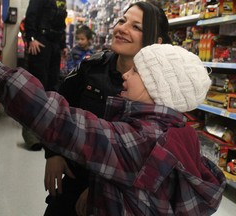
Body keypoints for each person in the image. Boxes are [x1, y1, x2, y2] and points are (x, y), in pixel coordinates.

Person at [0, 28, 226, 215]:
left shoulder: (144, 140)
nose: (125, 76)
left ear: (158, 89)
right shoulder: (177, 132)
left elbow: (60, 121)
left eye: (136, 71)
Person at [44, 1, 173, 215]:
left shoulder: (158, 89)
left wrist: (103, 189)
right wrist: (53, 153)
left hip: (123, 192)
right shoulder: (91, 69)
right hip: (75, 176)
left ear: (156, 41)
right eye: (123, 20)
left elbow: (153, 158)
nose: (122, 28)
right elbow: (58, 107)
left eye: (136, 27)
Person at [23, 0, 68, 150]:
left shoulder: (62, 1)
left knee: (52, 87)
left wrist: (63, 45)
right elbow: (31, 15)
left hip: (54, 46)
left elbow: (61, 23)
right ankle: (30, 133)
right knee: (37, 87)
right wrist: (30, 38)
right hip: (40, 43)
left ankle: (45, 132)